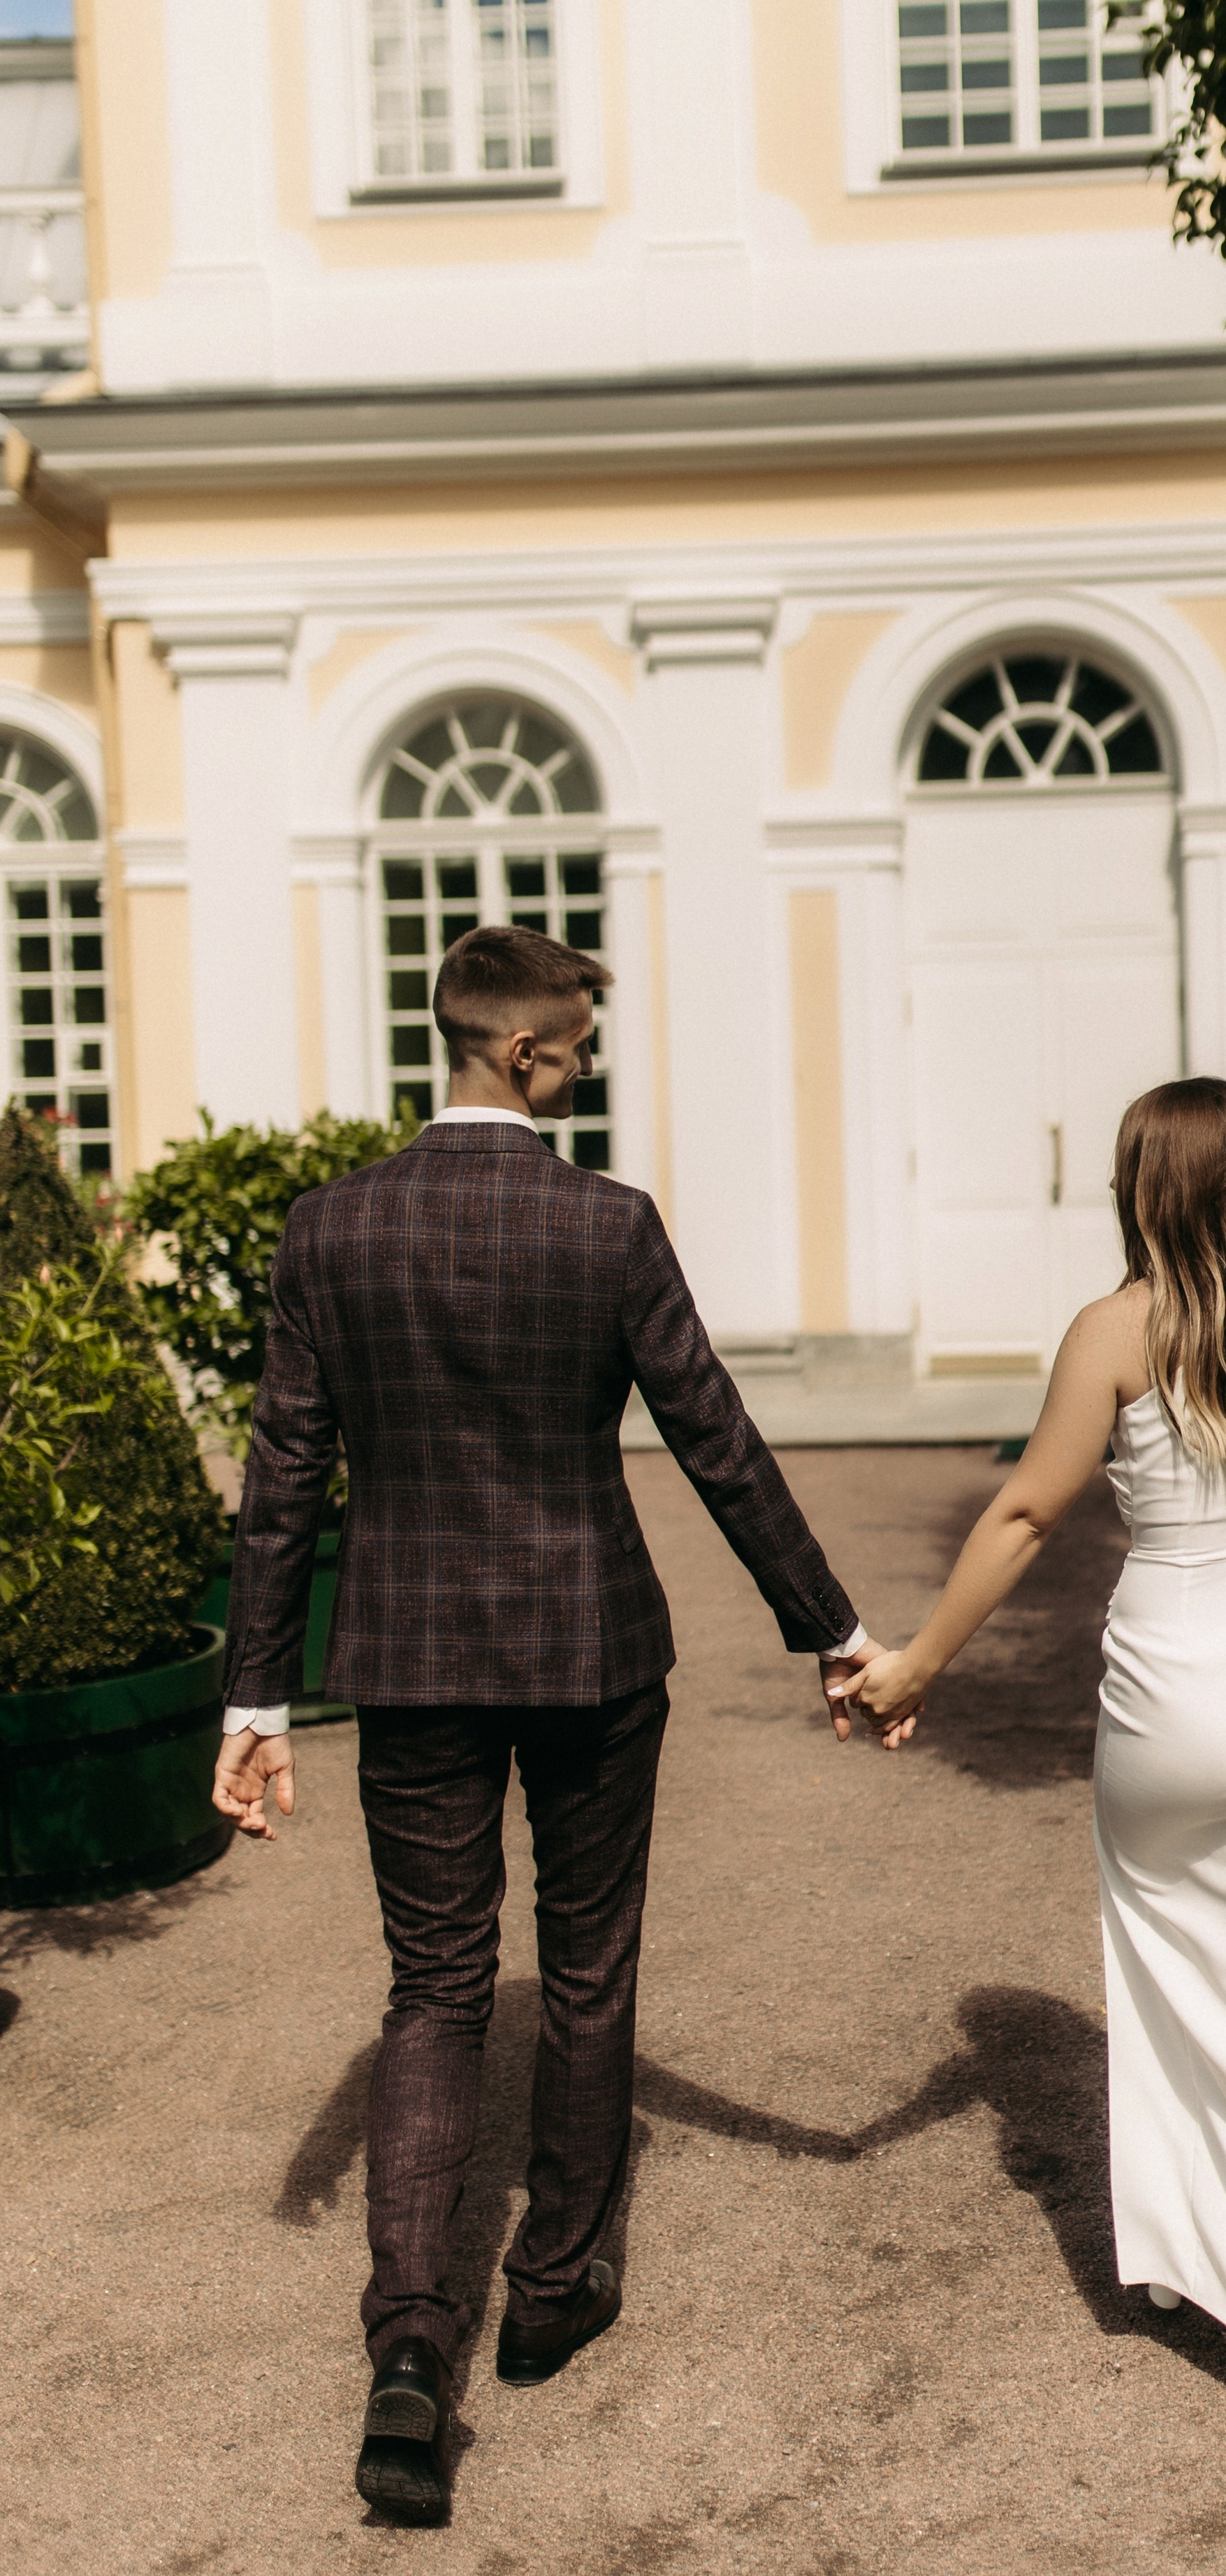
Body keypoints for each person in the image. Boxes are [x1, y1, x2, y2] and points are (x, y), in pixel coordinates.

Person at [212, 924, 884, 2526]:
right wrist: (837, 1632)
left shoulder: (331, 1229)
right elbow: (714, 1437)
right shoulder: (605, 1225)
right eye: (574, 1046)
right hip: (591, 1651)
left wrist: (253, 1692)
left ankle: (408, 2345)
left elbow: (282, 1474)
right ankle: (556, 2281)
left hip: (414, 1656)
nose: (580, 1068)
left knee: (435, 1986)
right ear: (520, 1053)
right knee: (585, 1972)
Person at [847, 1077, 1226, 2444]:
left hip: (1171, 1701)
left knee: (1177, 1991)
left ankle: (1203, 2274)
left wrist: (914, 1661)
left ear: (1138, 1186)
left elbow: (1030, 1507)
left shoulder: (1110, 1329)